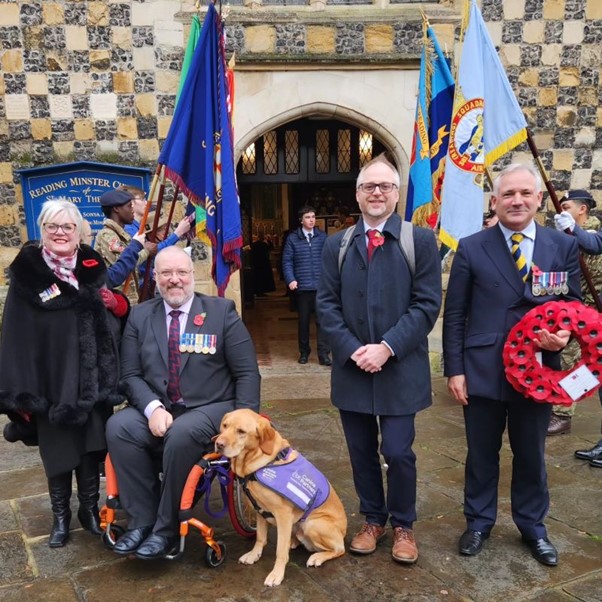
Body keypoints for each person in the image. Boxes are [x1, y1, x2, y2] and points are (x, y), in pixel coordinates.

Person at [443, 163, 581, 567]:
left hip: (538, 372)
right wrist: (455, 369)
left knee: (532, 455)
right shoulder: (472, 246)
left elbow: (572, 304)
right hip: (484, 369)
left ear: (539, 199)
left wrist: (563, 336)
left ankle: (533, 528)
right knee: (481, 455)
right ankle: (479, 523)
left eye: (525, 193)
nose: (517, 200)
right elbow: (456, 315)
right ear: (495, 201)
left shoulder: (562, 245)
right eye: (508, 194)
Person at [316, 154, 441, 564]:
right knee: (360, 450)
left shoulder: (419, 241)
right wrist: (354, 349)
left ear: (397, 193)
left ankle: (403, 525)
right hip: (353, 371)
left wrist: (386, 347)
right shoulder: (337, 244)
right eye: (369, 186)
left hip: (400, 368)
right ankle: (373, 519)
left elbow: (426, 305)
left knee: (400, 451)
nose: (377, 193)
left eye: (385, 186)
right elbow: (326, 304)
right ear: (357, 193)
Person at [106, 246, 261, 560]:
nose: (174, 280)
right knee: (119, 426)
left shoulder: (221, 312)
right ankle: (141, 520)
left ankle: (164, 528)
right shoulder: (139, 315)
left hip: (213, 407)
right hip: (162, 406)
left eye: (181, 273)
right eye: (166, 273)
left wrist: (248, 422)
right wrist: (152, 408)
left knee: (181, 433)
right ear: (155, 277)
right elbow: (130, 374)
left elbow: (247, 372)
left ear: (193, 275)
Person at [0, 199, 124, 548]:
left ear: (77, 231)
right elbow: (14, 334)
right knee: (57, 453)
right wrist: (19, 389)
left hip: (92, 380)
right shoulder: (28, 274)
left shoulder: (90, 264)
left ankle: (88, 510)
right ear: (42, 230)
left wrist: (119, 307)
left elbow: (108, 311)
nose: (60, 233)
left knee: (89, 449)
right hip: (51, 381)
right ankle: (60, 518)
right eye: (53, 226)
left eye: (67, 226)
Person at [547, 190, 602, 436]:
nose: (561, 210)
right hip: (574, 311)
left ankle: (562, 414)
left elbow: (592, 250)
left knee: (576, 363)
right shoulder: (564, 235)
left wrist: (573, 234)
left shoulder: (592, 234)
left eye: (566, 205)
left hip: (593, 315)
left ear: (582, 209)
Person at [282, 205, 331, 365]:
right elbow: (287, 261)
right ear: (301, 220)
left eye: (313, 217)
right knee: (303, 322)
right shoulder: (293, 238)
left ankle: (324, 354)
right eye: (308, 217)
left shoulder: (322, 237)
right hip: (302, 288)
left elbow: (329, 260)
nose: (311, 220)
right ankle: (304, 352)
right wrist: (291, 279)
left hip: (320, 287)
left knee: (322, 321)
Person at [95, 189, 158, 304]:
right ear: (116, 209)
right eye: (129, 206)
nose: (132, 210)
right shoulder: (107, 235)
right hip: (116, 301)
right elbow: (124, 263)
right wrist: (146, 251)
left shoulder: (121, 235)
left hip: (128, 300)